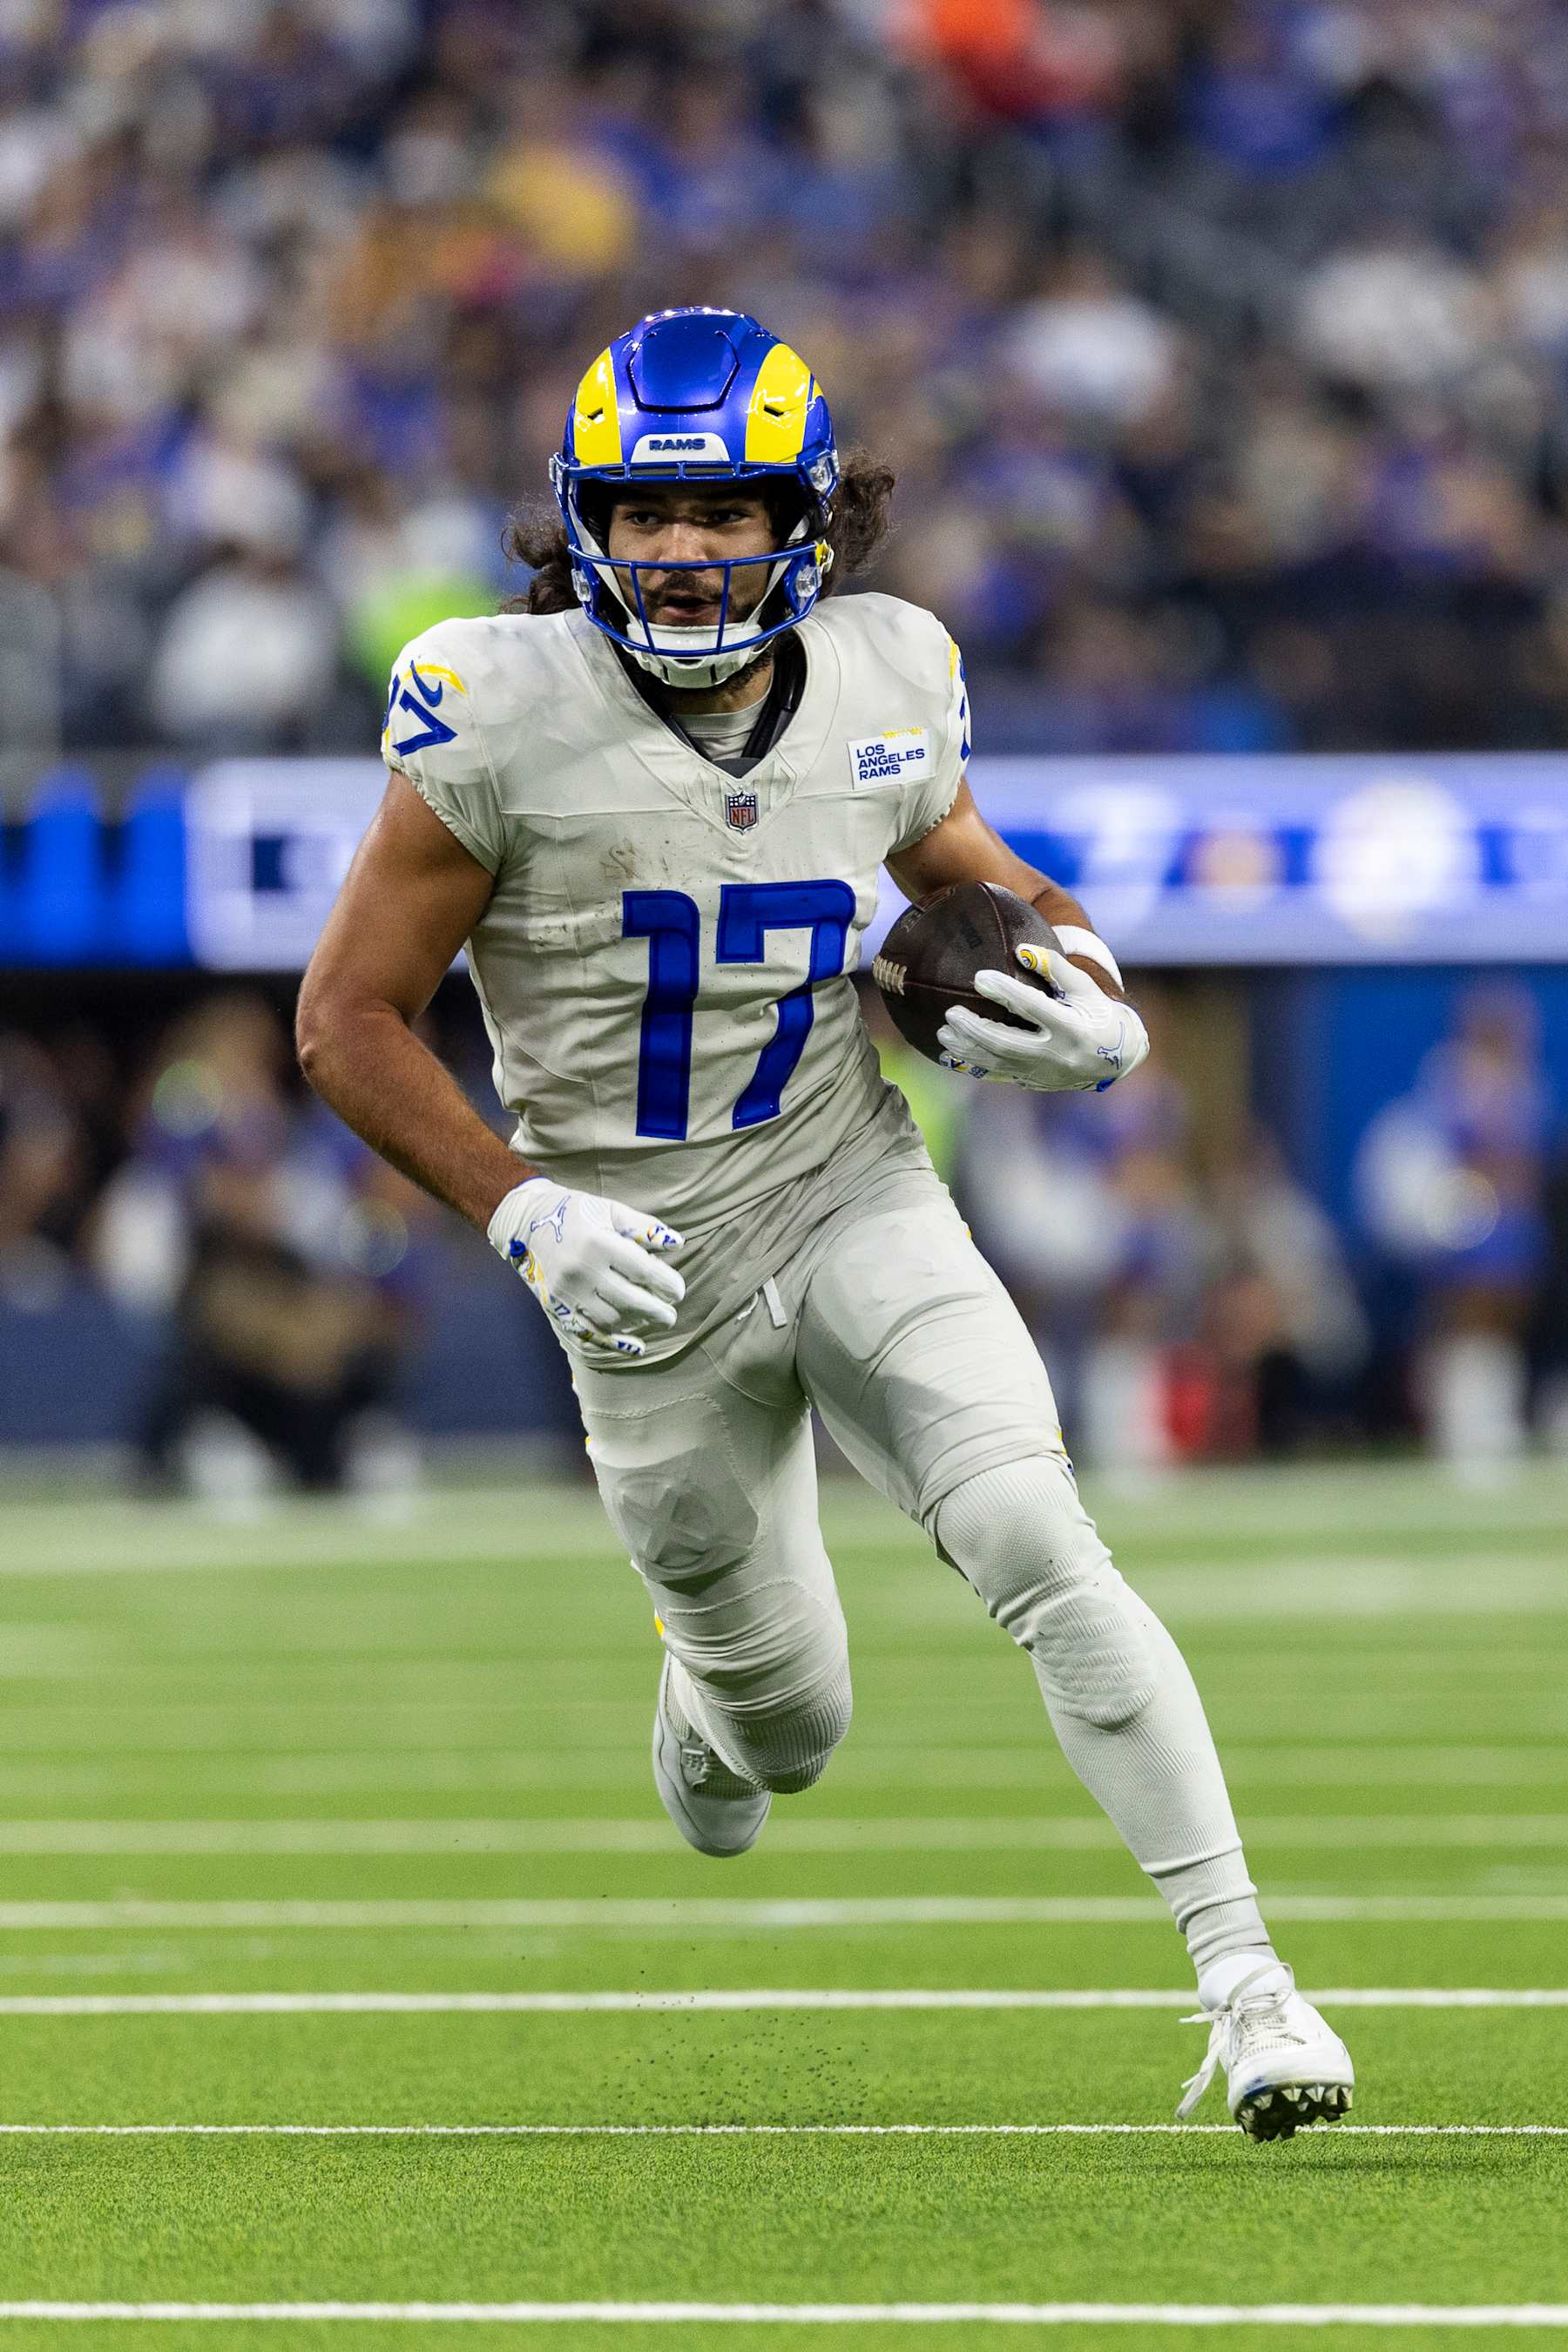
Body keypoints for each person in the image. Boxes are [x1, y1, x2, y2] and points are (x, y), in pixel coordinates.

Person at [295, 306, 1352, 2138]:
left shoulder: (889, 670)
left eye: (724, 510)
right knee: (786, 1735)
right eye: (643, 512)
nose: (680, 550)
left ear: (809, 518)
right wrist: (521, 1209)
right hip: (633, 1264)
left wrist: (1093, 990)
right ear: (584, 524)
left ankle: (1250, 1982)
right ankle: (706, 1704)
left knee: (1034, 1526)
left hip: (844, 1178)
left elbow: (987, 878)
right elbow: (343, 1020)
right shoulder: (495, 704)